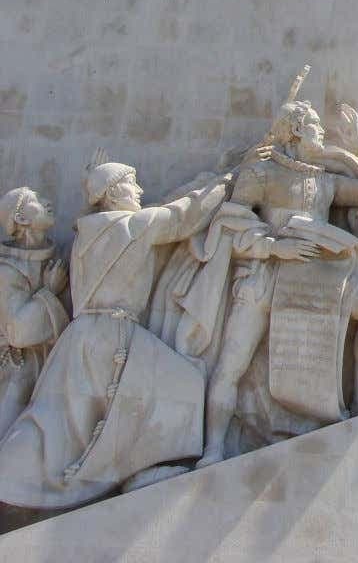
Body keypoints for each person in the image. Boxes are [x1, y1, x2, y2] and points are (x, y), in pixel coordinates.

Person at [0, 152, 229, 507]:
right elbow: (184, 215)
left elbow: (167, 205)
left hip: (83, 337)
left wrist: (212, 175)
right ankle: (131, 472)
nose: (138, 189)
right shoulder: (132, 226)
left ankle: (134, 469)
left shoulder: (90, 231)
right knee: (182, 383)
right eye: (130, 182)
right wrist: (228, 181)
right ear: (112, 192)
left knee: (63, 421)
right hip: (112, 334)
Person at [197, 101, 358, 468]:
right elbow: (232, 225)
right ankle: (213, 448)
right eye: (314, 126)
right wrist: (275, 247)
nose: (321, 133)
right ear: (294, 130)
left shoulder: (325, 180)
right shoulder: (261, 174)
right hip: (267, 273)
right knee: (232, 362)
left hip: (315, 272)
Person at [0, 188, 69, 440]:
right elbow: (18, 332)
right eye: (36, 200)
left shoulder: (55, 257)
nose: (47, 200)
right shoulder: (7, 272)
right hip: (13, 375)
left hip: (49, 371)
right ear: (20, 218)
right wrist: (49, 291)